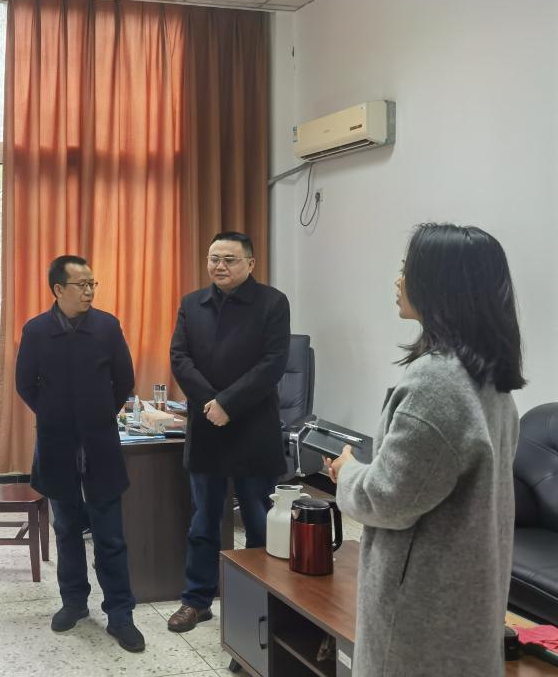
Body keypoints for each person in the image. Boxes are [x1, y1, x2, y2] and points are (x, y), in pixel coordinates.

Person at [326, 223, 525, 677]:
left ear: (440, 283)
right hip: (468, 599)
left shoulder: (436, 382)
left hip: (423, 611)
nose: (398, 280)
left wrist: (348, 470)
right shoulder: (492, 379)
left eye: (407, 269)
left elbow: (387, 500)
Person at [15, 255, 144, 653]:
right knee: (66, 529)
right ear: (58, 289)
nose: (89, 291)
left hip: (100, 443)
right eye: (81, 285)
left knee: (110, 535)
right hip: (57, 444)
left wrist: (97, 414)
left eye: (92, 284)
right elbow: (25, 384)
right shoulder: (37, 331)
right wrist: (56, 415)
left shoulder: (106, 326)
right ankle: (73, 602)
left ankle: (120, 613)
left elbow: (124, 380)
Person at [167, 231, 290, 633]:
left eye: (229, 259)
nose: (219, 266)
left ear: (250, 264)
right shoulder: (192, 304)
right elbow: (179, 357)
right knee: (203, 520)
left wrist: (228, 404)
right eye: (213, 258)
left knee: (259, 521)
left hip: (254, 427)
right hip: (207, 428)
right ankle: (196, 600)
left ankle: (262, 601)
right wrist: (211, 403)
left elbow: (273, 363)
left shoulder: (272, 303)